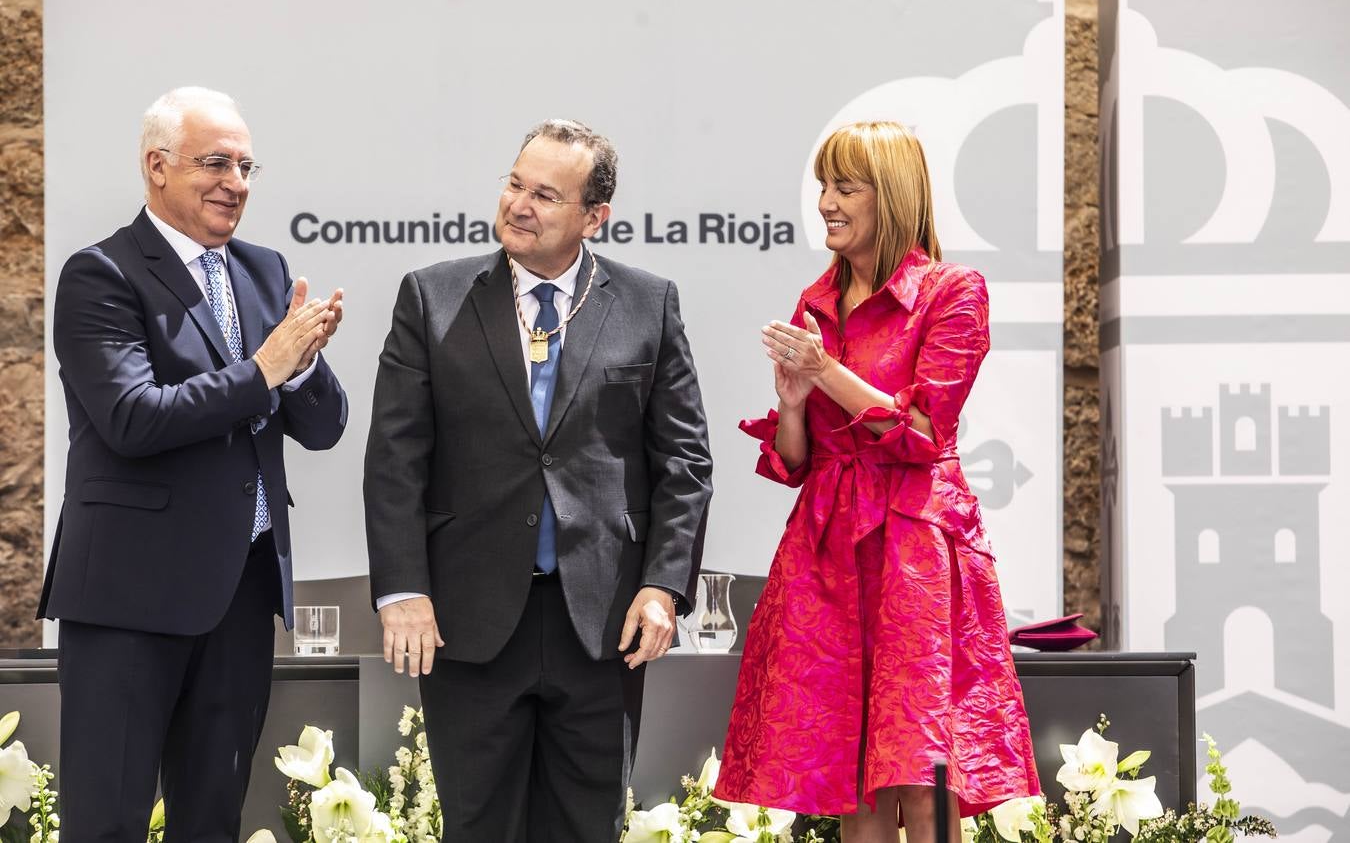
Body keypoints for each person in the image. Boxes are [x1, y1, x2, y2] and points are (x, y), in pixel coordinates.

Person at [364, 118, 713, 842]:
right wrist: (404, 590)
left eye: (546, 195)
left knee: (587, 830)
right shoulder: (432, 298)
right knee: (478, 827)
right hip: (468, 622)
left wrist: (662, 586)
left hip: (602, 624)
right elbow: (396, 459)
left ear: (594, 217)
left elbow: (685, 461)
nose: (519, 204)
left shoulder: (648, 303)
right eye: (515, 184)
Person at [714, 121, 1039, 842]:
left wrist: (825, 371)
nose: (827, 201)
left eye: (845, 187)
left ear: (889, 197)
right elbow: (797, 463)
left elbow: (925, 435)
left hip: (916, 543)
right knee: (846, 770)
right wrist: (795, 405)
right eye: (823, 186)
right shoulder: (816, 300)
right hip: (828, 546)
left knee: (922, 773)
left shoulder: (952, 292)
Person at [39, 86, 348, 839]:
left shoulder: (265, 270)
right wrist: (266, 368)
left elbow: (326, 427)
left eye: (246, 165)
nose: (235, 182)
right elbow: (132, 419)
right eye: (215, 162)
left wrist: (302, 366)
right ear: (156, 166)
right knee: (107, 822)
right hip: (128, 602)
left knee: (210, 820)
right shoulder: (101, 274)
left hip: (238, 595)